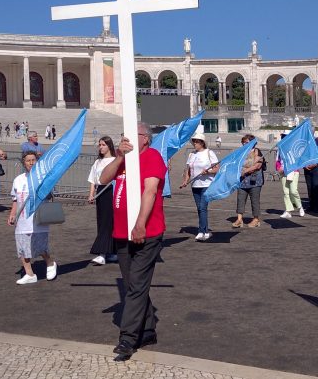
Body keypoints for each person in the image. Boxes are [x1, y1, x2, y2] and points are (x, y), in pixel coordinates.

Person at [98, 122, 168, 360]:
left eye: (132, 135)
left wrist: (140, 224)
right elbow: (102, 179)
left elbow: (150, 191)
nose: (125, 138)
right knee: (133, 285)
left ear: (145, 138)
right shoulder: (124, 159)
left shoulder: (152, 157)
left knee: (137, 285)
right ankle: (147, 330)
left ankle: (128, 338)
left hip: (147, 232)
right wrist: (118, 157)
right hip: (121, 233)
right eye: (123, 135)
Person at [7, 151, 57, 285]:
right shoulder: (18, 179)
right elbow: (15, 200)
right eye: (28, 160)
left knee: (40, 246)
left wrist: (42, 188)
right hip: (22, 219)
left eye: (33, 160)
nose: (30, 163)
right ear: (24, 162)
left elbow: (49, 197)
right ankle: (29, 274)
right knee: (22, 248)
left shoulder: (43, 178)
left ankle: (50, 263)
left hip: (38, 218)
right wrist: (12, 214)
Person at [181, 132, 219, 241]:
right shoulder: (191, 154)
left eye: (197, 141)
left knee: (202, 208)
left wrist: (208, 172)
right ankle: (206, 231)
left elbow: (217, 169)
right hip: (195, 185)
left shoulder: (209, 153)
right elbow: (188, 170)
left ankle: (201, 231)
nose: (194, 143)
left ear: (202, 143)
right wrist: (185, 181)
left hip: (207, 184)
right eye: (194, 141)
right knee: (200, 209)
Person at [87, 136, 118, 266]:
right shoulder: (97, 162)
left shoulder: (115, 160)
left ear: (109, 146)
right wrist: (91, 194)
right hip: (100, 192)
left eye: (103, 144)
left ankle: (103, 253)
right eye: (99, 145)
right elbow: (93, 180)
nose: (100, 147)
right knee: (102, 221)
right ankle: (108, 253)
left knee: (109, 221)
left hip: (111, 191)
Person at [234, 134, 265, 228]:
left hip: (254, 181)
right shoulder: (241, 152)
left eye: (246, 142)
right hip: (242, 181)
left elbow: (257, 166)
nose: (244, 144)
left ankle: (256, 219)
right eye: (243, 142)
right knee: (240, 199)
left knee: (254, 200)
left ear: (252, 143)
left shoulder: (257, 152)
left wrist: (245, 171)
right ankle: (239, 219)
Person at [278, 150, 304, 218]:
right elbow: (278, 161)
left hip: (293, 171)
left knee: (293, 191)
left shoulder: (293, 148)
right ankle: (288, 211)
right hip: (283, 172)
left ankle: (300, 206)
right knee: (286, 192)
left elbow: (298, 158)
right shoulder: (280, 150)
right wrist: (279, 168)